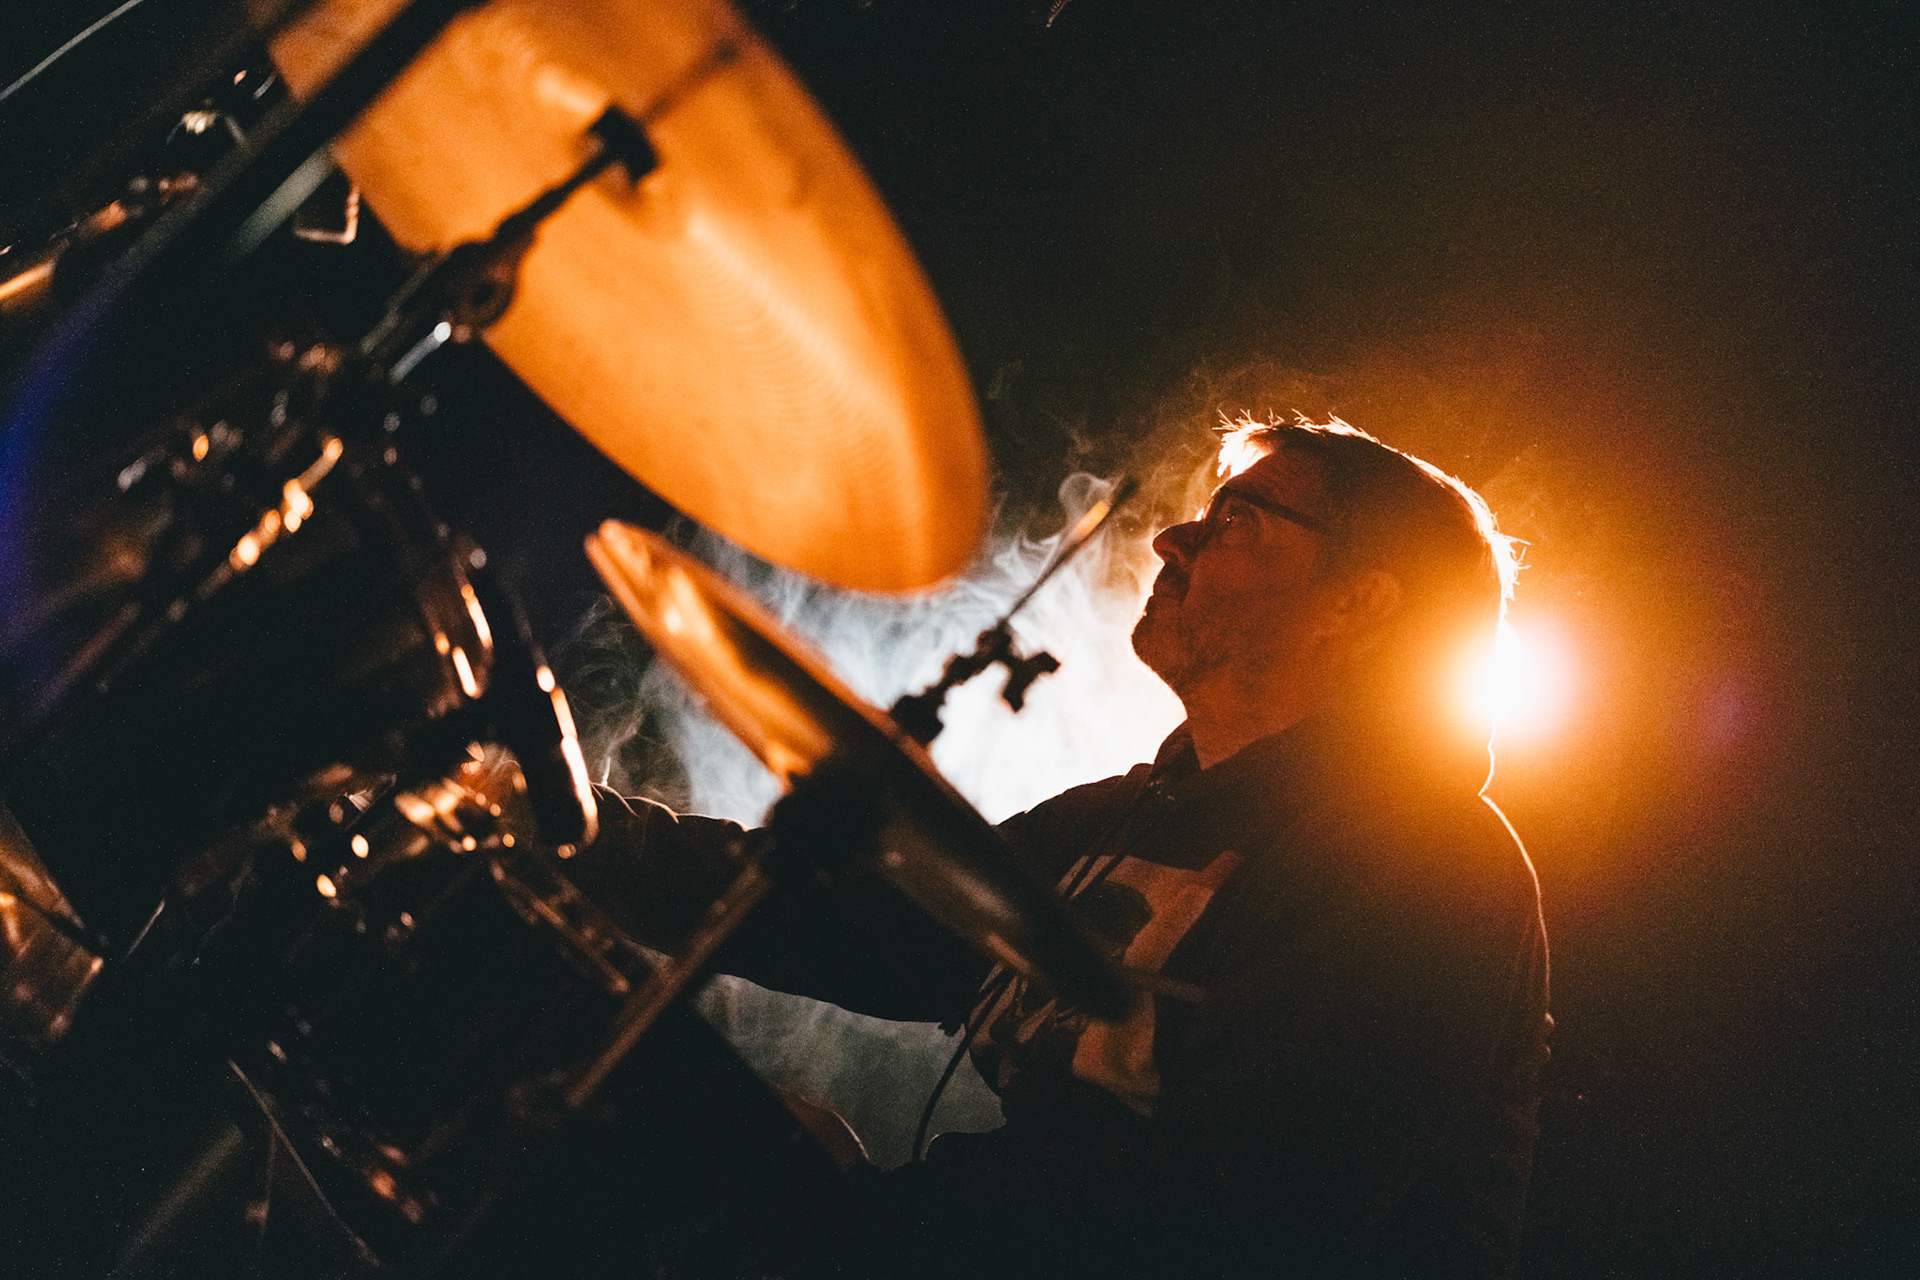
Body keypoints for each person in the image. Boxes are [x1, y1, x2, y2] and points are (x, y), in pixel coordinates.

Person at [571, 418, 1551, 1277]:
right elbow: (846, 916)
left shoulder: (1429, 861)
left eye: (1238, 520)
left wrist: (873, 1216)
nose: (1173, 539)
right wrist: (565, 821)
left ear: (1359, 603)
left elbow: (1239, 1213)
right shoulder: (1116, 820)